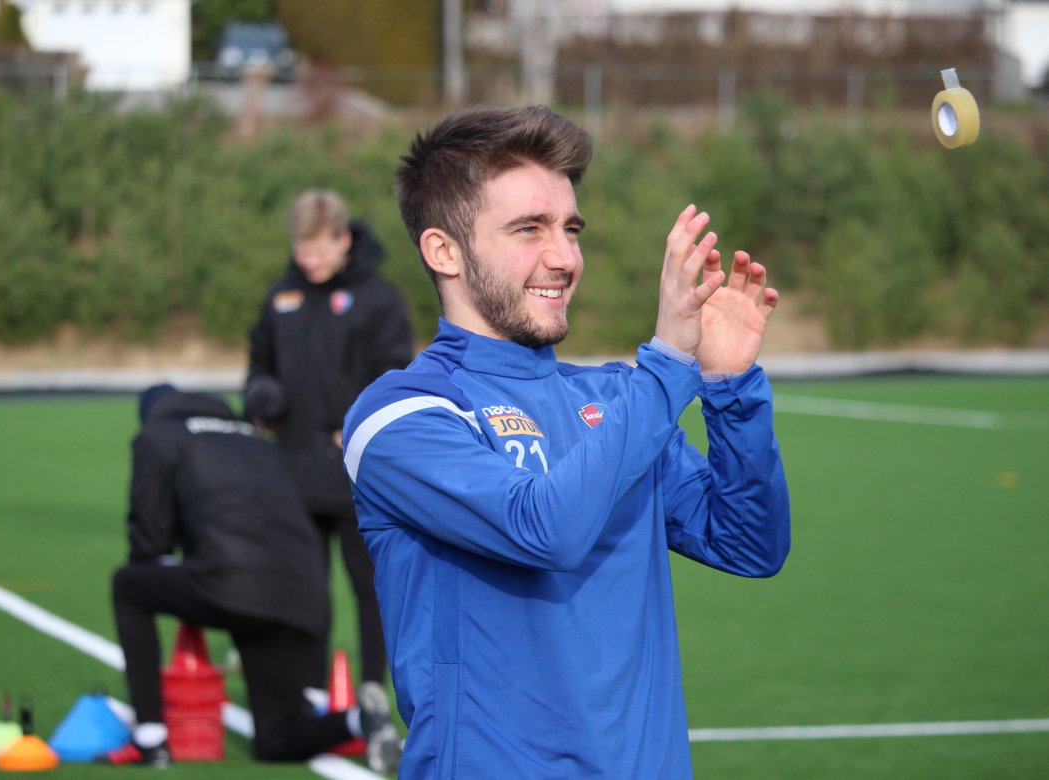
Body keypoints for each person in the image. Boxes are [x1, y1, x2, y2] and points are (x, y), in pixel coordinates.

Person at [341, 105, 792, 778]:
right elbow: (545, 530)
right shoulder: (400, 416)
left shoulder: (615, 398)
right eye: (529, 229)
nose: (564, 258)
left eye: (570, 229)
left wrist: (730, 389)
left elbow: (748, 544)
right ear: (444, 251)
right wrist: (669, 361)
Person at [98, 384, 400, 772]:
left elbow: (149, 542)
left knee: (128, 585)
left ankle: (150, 738)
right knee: (277, 740)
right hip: (302, 593)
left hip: (231, 583)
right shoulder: (256, 440)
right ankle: (359, 720)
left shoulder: (158, 436)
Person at [245, 189, 413, 693]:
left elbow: (396, 375)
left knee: (371, 587)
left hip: (359, 474)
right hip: (293, 471)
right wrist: (261, 398)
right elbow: (258, 364)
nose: (309, 260)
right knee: (303, 589)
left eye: (319, 249)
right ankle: (310, 693)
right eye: (302, 249)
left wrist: (360, 423)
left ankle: (373, 691)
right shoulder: (280, 297)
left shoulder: (379, 299)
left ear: (344, 240)